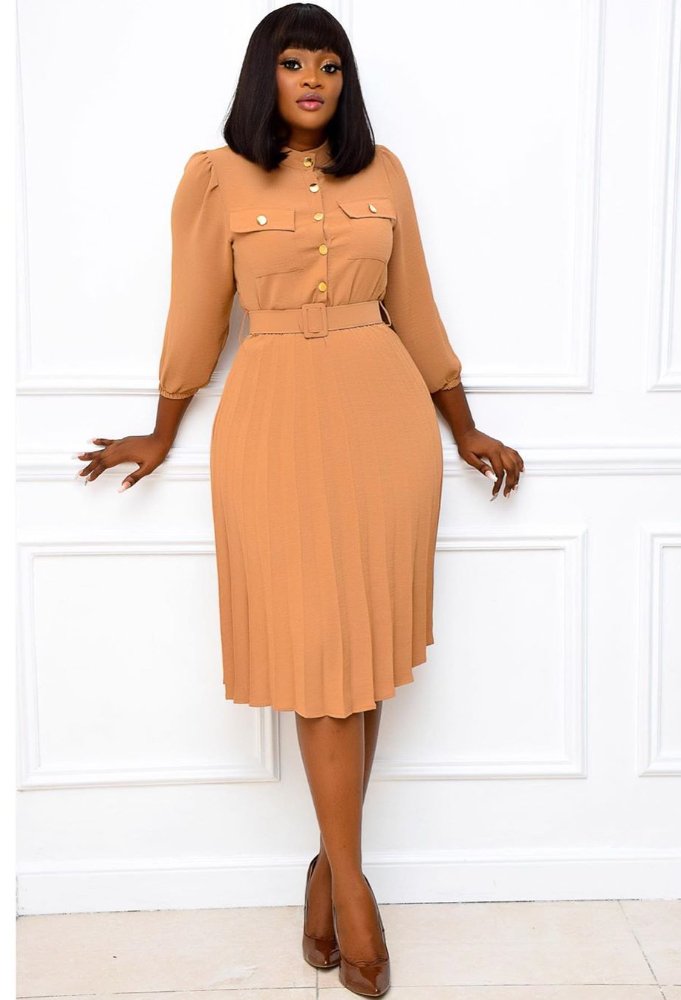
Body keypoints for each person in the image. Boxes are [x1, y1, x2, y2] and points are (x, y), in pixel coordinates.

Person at [74, 3, 524, 996]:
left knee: (361, 657)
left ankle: (329, 864)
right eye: (294, 63)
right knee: (322, 657)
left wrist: (464, 425)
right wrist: (161, 426)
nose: (313, 80)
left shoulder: (385, 171)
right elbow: (196, 313)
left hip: (384, 424)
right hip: (273, 423)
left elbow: (417, 307)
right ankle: (353, 884)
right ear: (264, 76)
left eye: (329, 64)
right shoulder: (216, 176)